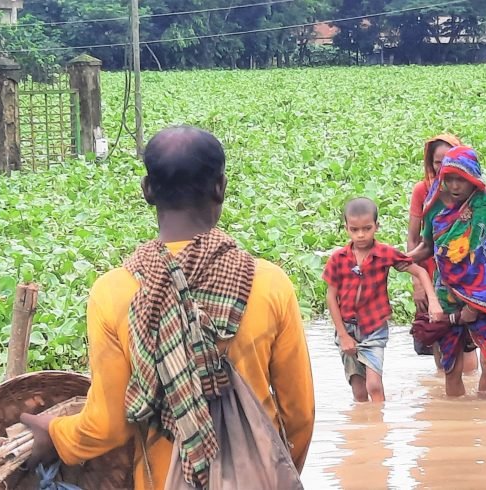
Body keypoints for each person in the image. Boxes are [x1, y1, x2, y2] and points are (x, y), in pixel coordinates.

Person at [18, 126, 316, 489]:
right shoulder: (269, 282)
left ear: (147, 191)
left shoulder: (113, 292)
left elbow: (109, 425)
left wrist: (56, 433)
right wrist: (271, 472)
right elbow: (300, 415)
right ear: (221, 186)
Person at [408, 146, 486, 396]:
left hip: (485, 294)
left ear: (473, 177)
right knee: (451, 366)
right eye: (449, 178)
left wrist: (475, 306)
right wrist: (400, 260)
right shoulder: (435, 204)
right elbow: (427, 246)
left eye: (460, 179)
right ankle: (454, 425)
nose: (454, 185)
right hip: (448, 294)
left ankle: (485, 420)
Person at [325, 197, 442, 403]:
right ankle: (364, 432)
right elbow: (331, 297)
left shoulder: (384, 254)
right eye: (354, 229)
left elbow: (420, 270)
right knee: (359, 391)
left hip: (374, 328)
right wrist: (343, 335)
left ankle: (380, 428)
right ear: (346, 228)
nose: (361, 235)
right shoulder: (338, 259)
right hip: (347, 327)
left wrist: (432, 300)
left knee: (374, 385)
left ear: (376, 227)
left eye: (367, 228)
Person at [408, 134, 479, 373]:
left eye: (449, 160)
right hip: (432, 277)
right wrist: (417, 281)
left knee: (469, 346)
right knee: (439, 341)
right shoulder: (425, 193)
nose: (443, 168)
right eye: (438, 162)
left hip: (467, 282)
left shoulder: (476, 198)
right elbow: (416, 239)